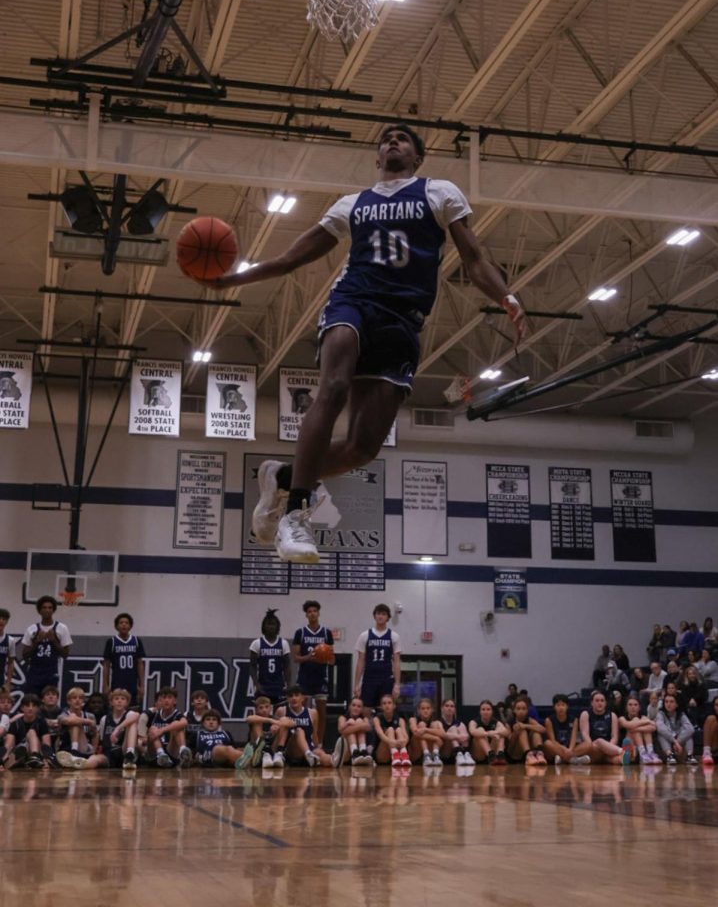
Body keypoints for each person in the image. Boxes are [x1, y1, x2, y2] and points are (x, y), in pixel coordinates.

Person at [205, 125, 526, 564]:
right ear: (377, 158)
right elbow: (289, 259)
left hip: (403, 322)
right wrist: (233, 279)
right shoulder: (351, 204)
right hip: (353, 302)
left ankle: (281, 476)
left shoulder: (440, 193)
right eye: (385, 139)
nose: (392, 142)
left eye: (402, 138)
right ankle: (296, 512)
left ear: (417, 156)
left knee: (363, 448)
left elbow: (474, 260)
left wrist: (506, 297)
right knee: (333, 386)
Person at [291, 600, 334, 744]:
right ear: (306, 615)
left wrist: (325, 658)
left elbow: (332, 659)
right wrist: (309, 657)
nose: (312, 614)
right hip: (304, 678)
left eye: (315, 611)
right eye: (309, 612)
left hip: (321, 677)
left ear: (318, 613)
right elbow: (295, 658)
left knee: (322, 713)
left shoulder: (327, 633)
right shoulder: (300, 632)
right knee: (305, 713)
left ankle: (319, 744)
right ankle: (306, 741)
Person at [21, 596, 72, 696]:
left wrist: (54, 641)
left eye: (50, 608)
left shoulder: (62, 628)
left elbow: (65, 654)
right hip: (34, 672)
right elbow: (25, 655)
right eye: (44, 607)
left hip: (51, 673)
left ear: (53, 610)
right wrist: (36, 642)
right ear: (39, 610)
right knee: (32, 701)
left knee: (49, 702)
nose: (47, 610)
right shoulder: (31, 629)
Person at [353, 604, 401, 709]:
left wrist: (397, 684)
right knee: (366, 708)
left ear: (388, 617)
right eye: (378, 613)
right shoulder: (364, 635)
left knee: (387, 708)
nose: (380, 616)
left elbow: (397, 662)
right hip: (369, 677)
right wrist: (356, 683)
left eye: (384, 614)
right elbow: (360, 661)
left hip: (386, 677)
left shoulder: (394, 636)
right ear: (374, 616)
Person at [275, 685, 332, 767]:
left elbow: (314, 734)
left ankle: (334, 759)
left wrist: (318, 747)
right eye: (291, 696)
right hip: (291, 749)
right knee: (299, 731)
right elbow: (276, 734)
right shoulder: (282, 711)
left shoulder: (312, 713)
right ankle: (308, 754)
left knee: (322, 755)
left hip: (308, 747)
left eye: (297, 695)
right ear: (287, 699)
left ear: (303, 698)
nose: (294, 698)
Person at [249, 609, 291, 707]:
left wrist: (288, 685)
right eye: (268, 624)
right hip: (263, 686)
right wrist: (257, 684)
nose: (271, 627)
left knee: (279, 715)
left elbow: (287, 666)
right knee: (262, 715)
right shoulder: (256, 643)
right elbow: (252, 666)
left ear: (278, 627)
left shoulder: (283, 643)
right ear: (263, 626)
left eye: (273, 624)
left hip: (279, 686)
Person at [102, 612, 146, 706]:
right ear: (116, 626)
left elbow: (140, 663)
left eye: (126, 623)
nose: (124, 625)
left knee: (133, 708)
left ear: (130, 626)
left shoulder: (136, 641)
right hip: (117, 680)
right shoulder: (112, 641)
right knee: (117, 707)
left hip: (132, 681)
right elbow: (106, 664)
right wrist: (105, 685)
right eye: (121, 623)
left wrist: (141, 685)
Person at [241, 693, 294, 769]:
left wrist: (279, 725)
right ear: (256, 710)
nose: (264, 710)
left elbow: (292, 723)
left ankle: (279, 753)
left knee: (283, 721)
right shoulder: (256, 718)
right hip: (257, 751)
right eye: (261, 708)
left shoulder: (275, 719)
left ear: (270, 708)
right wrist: (271, 721)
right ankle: (264, 752)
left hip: (272, 750)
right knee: (257, 722)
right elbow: (249, 719)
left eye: (266, 707)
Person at [144, 685, 192, 768]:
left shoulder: (177, 714)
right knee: (153, 729)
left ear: (175, 701)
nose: (166, 700)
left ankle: (183, 751)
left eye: (169, 697)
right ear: (160, 700)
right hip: (155, 752)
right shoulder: (154, 713)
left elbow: (184, 722)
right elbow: (144, 737)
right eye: (164, 697)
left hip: (171, 750)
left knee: (177, 725)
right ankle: (161, 755)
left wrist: (162, 730)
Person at [2, 693, 52, 769]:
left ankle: (34, 757)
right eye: (28, 706)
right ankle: (17, 760)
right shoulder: (15, 723)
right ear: (22, 708)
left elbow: (46, 744)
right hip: (19, 751)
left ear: (38, 708)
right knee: (19, 748)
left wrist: (46, 760)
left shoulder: (41, 722)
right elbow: (8, 745)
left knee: (31, 732)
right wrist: (2, 761)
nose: (30, 708)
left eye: (34, 706)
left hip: (37, 751)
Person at [95, 688, 140, 770]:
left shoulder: (129, 714)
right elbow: (101, 739)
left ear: (127, 703)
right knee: (95, 759)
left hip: (123, 750)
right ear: (111, 702)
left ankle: (130, 754)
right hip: (109, 753)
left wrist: (117, 729)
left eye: (123, 699)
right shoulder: (104, 719)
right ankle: (78, 763)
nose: (119, 701)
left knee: (132, 723)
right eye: (116, 699)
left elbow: (136, 715)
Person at [542, 694, 591, 766]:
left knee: (588, 744)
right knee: (547, 743)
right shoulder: (549, 720)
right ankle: (573, 760)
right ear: (554, 707)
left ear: (567, 706)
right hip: (557, 747)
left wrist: (570, 750)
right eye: (558, 705)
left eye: (563, 705)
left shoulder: (574, 720)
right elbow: (552, 740)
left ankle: (563, 759)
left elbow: (573, 738)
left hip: (571, 748)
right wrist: (564, 749)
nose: (560, 708)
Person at [54, 685, 98, 766]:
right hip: (65, 747)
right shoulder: (63, 715)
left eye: (80, 698)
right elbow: (69, 720)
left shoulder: (90, 716)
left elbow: (95, 734)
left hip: (83, 746)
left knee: (77, 723)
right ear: (68, 701)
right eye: (74, 698)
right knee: (74, 723)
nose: (77, 700)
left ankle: (75, 753)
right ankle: (74, 751)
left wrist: (94, 751)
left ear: (83, 701)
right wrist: (88, 722)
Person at [579, 690, 623, 765]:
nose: (600, 703)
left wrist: (607, 748)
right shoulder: (585, 714)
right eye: (597, 700)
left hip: (609, 748)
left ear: (605, 703)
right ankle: (623, 751)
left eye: (602, 701)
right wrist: (592, 747)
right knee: (599, 741)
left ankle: (622, 758)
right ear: (592, 703)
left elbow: (614, 736)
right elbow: (585, 735)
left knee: (617, 759)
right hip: (593, 747)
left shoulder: (612, 715)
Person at [654, 690, 697, 765]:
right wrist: (675, 741)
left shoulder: (681, 714)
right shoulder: (660, 714)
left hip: (678, 744)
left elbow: (690, 728)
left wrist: (678, 741)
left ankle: (690, 755)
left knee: (688, 734)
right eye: (666, 702)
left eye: (671, 702)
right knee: (661, 733)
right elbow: (660, 728)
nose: (668, 704)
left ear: (677, 704)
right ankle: (669, 755)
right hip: (667, 745)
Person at [618, 694, 660, 765]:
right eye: (630, 705)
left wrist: (638, 728)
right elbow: (628, 725)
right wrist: (648, 721)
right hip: (629, 749)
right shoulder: (622, 719)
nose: (633, 707)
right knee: (636, 720)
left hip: (642, 747)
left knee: (641, 722)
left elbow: (653, 727)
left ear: (639, 707)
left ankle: (649, 752)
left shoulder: (643, 718)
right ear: (626, 707)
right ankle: (642, 753)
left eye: (635, 705)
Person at [334, 695, 374, 767]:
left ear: (362, 709)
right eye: (354, 705)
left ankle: (362, 751)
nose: (356, 708)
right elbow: (341, 731)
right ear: (349, 707)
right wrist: (349, 724)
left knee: (358, 721)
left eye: (359, 706)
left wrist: (355, 724)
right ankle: (354, 753)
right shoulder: (342, 717)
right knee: (352, 724)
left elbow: (368, 727)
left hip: (361, 756)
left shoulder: (364, 718)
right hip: (346, 754)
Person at [372, 692, 410, 768]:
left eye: (389, 703)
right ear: (381, 706)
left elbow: (406, 737)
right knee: (390, 729)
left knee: (399, 730)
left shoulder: (400, 719)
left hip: (399, 753)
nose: (387, 705)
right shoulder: (377, 719)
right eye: (384, 703)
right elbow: (380, 734)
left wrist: (403, 741)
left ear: (394, 706)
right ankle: (394, 754)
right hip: (382, 755)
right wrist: (392, 742)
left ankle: (404, 755)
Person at [507, 695, 546, 765]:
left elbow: (543, 729)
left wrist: (525, 726)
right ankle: (528, 755)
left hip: (530, 749)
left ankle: (539, 754)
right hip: (514, 752)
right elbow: (509, 741)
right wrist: (516, 733)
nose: (521, 711)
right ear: (514, 710)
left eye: (523, 709)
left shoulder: (529, 720)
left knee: (536, 732)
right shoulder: (510, 722)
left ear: (527, 710)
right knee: (522, 731)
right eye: (518, 709)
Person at [469, 700, 509, 765]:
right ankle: (490, 754)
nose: (485, 712)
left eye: (488, 709)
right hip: (479, 755)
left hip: (494, 754)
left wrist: (496, 732)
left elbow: (506, 732)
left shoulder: (496, 722)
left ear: (492, 711)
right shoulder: (474, 722)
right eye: (483, 709)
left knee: (500, 731)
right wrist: (488, 733)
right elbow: (472, 731)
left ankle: (500, 755)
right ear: (480, 711)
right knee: (480, 730)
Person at [409, 698, 445, 768]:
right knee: (421, 724)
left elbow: (443, 734)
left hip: (431, 750)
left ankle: (435, 754)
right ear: (418, 710)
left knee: (434, 725)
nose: (425, 711)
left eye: (428, 708)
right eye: (423, 709)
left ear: (432, 710)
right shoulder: (413, 719)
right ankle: (426, 755)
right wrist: (436, 738)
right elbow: (415, 732)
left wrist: (426, 730)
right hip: (416, 753)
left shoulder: (437, 722)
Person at [438, 698, 474, 766]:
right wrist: (458, 736)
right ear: (442, 708)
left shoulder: (460, 723)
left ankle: (465, 754)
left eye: (452, 706)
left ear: (454, 709)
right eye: (447, 706)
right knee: (454, 728)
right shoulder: (438, 722)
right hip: (445, 753)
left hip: (457, 753)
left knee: (460, 727)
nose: (449, 708)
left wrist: (464, 736)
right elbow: (443, 735)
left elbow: (466, 736)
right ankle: (459, 753)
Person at [185, 689, 211, 753]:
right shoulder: (186, 715)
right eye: (196, 698)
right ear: (192, 703)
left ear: (206, 703)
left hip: (206, 746)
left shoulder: (211, 716)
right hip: (189, 746)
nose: (199, 700)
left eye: (202, 698)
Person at [0, 609, 15, 694]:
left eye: (4, 619)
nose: (1, 621)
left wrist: (8, 683)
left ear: (7, 622)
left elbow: (11, 663)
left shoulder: (10, 640)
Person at [702, 696, 718, 766]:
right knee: (711, 718)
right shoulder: (712, 719)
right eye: (717, 705)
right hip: (715, 751)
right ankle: (706, 753)